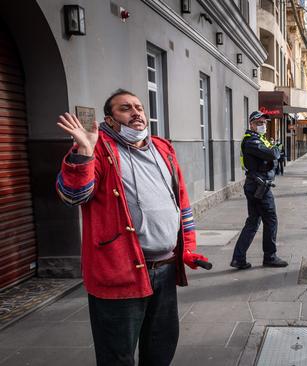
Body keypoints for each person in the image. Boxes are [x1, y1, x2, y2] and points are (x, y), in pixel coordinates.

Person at [55, 89, 209, 366]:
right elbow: (72, 196)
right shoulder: (97, 147)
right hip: (119, 272)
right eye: (125, 108)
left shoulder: (163, 147)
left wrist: (189, 247)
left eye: (139, 107)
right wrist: (85, 153)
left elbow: (181, 202)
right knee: (117, 354)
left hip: (165, 268)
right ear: (110, 119)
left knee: (161, 347)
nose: (136, 112)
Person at [231, 111, 288, 269]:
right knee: (271, 220)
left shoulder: (259, 139)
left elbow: (274, 156)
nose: (262, 125)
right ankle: (270, 257)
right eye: (259, 123)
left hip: (256, 184)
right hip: (259, 186)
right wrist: (275, 152)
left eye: (264, 123)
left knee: (253, 222)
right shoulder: (251, 141)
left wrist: (274, 154)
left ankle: (238, 258)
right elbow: (273, 154)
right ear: (251, 124)